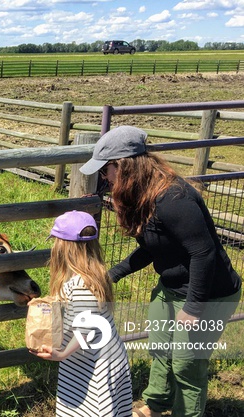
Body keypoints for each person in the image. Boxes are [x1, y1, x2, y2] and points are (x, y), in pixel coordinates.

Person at [80, 126, 242, 417]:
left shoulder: (174, 199)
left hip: (209, 293)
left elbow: (203, 253)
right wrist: (112, 274)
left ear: (124, 165)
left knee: (186, 363)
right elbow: (153, 247)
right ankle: (156, 404)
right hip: (172, 286)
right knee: (160, 347)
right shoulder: (144, 196)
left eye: (106, 170)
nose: (105, 178)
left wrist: (193, 308)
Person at [31, 210, 133, 416]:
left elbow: (86, 327)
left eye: (56, 242)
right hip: (104, 356)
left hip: (92, 365)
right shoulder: (96, 274)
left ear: (65, 246)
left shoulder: (80, 283)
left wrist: (61, 354)